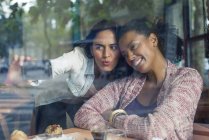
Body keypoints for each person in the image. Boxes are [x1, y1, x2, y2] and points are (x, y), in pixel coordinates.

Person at [74, 18, 203, 139]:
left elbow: (155, 128)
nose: (130, 57)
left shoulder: (187, 79)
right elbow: (83, 113)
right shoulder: (125, 85)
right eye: (125, 54)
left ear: (153, 40)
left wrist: (114, 117)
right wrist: (111, 132)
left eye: (133, 47)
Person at [24, 19, 132, 134]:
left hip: (81, 104)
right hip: (51, 100)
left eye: (113, 47)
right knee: (53, 136)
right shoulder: (79, 58)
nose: (106, 55)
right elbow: (56, 65)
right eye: (99, 47)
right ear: (91, 48)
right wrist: (27, 71)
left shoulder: (122, 71)